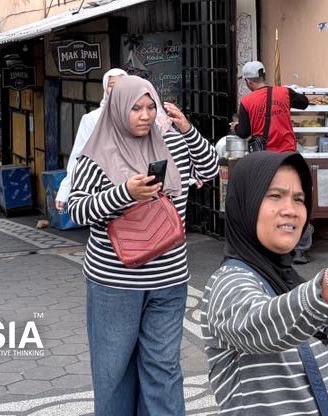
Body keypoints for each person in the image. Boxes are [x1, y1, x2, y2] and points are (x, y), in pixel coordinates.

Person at [202, 150, 328, 415]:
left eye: (299, 199)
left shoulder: (289, 281)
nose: (290, 210)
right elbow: (260, 326)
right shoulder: (227, 284)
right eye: (275, 196)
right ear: (245, 204)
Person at [66, 76, 220, 416]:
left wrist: (189, 130)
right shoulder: (97, 155)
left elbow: (209, 169)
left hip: (169, 280)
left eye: (151, 107)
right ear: (119, 109)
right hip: (115, 284)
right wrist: (126, 194)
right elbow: (78, 209)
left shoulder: (172, 144)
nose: (145, 115)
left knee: (163, 369)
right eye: (136, 108)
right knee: (114, 370)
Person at [233, 60, 315, 263]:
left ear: (247, 81)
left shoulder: (247, 102)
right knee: (296, 199)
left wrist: (235, 127)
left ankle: (269, 244)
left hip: (265, 159)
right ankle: (301, 249)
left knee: (268, 200)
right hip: (289, 156)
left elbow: (244, 133)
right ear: (263, 76)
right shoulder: (284, 93)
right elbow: (304, 102)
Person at [56, 68, 128, 212]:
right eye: (111, 84)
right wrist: (65, 188)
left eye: (122, 84)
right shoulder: (93, 119)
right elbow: (79, 155)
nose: (116, 89)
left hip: (134, 182)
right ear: (105, 88)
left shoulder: (139, 116)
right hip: (103, 184)